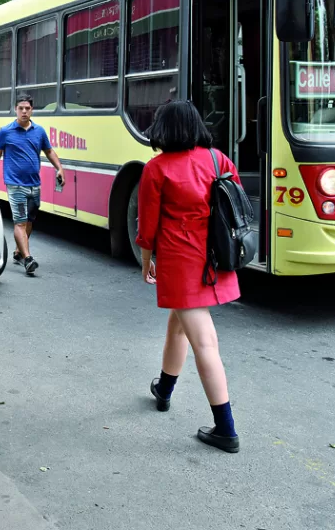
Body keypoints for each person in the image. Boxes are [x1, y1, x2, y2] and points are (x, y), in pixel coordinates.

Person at [135, 100, 242, 454]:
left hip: (181, 263)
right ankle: (163, 390)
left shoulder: (157, 168)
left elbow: (147, 227)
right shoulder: (218, 159)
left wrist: (147, 262)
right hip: (215, 256)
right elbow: (234, 205)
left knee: (205, 342)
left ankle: (225, 429)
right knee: (177, 325)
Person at [0, 95, 65, 277]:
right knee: (20, 222)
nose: (24, 111)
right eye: (21, 108)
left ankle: (19, 252)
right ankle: (28, 259)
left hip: (34, 185)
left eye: (27, 108)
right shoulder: (5, 132)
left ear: (32, 110)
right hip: (15, 185)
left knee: (29, 221)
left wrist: (59, 168)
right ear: (15, 109)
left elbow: (49, 151)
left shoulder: (39, 131)